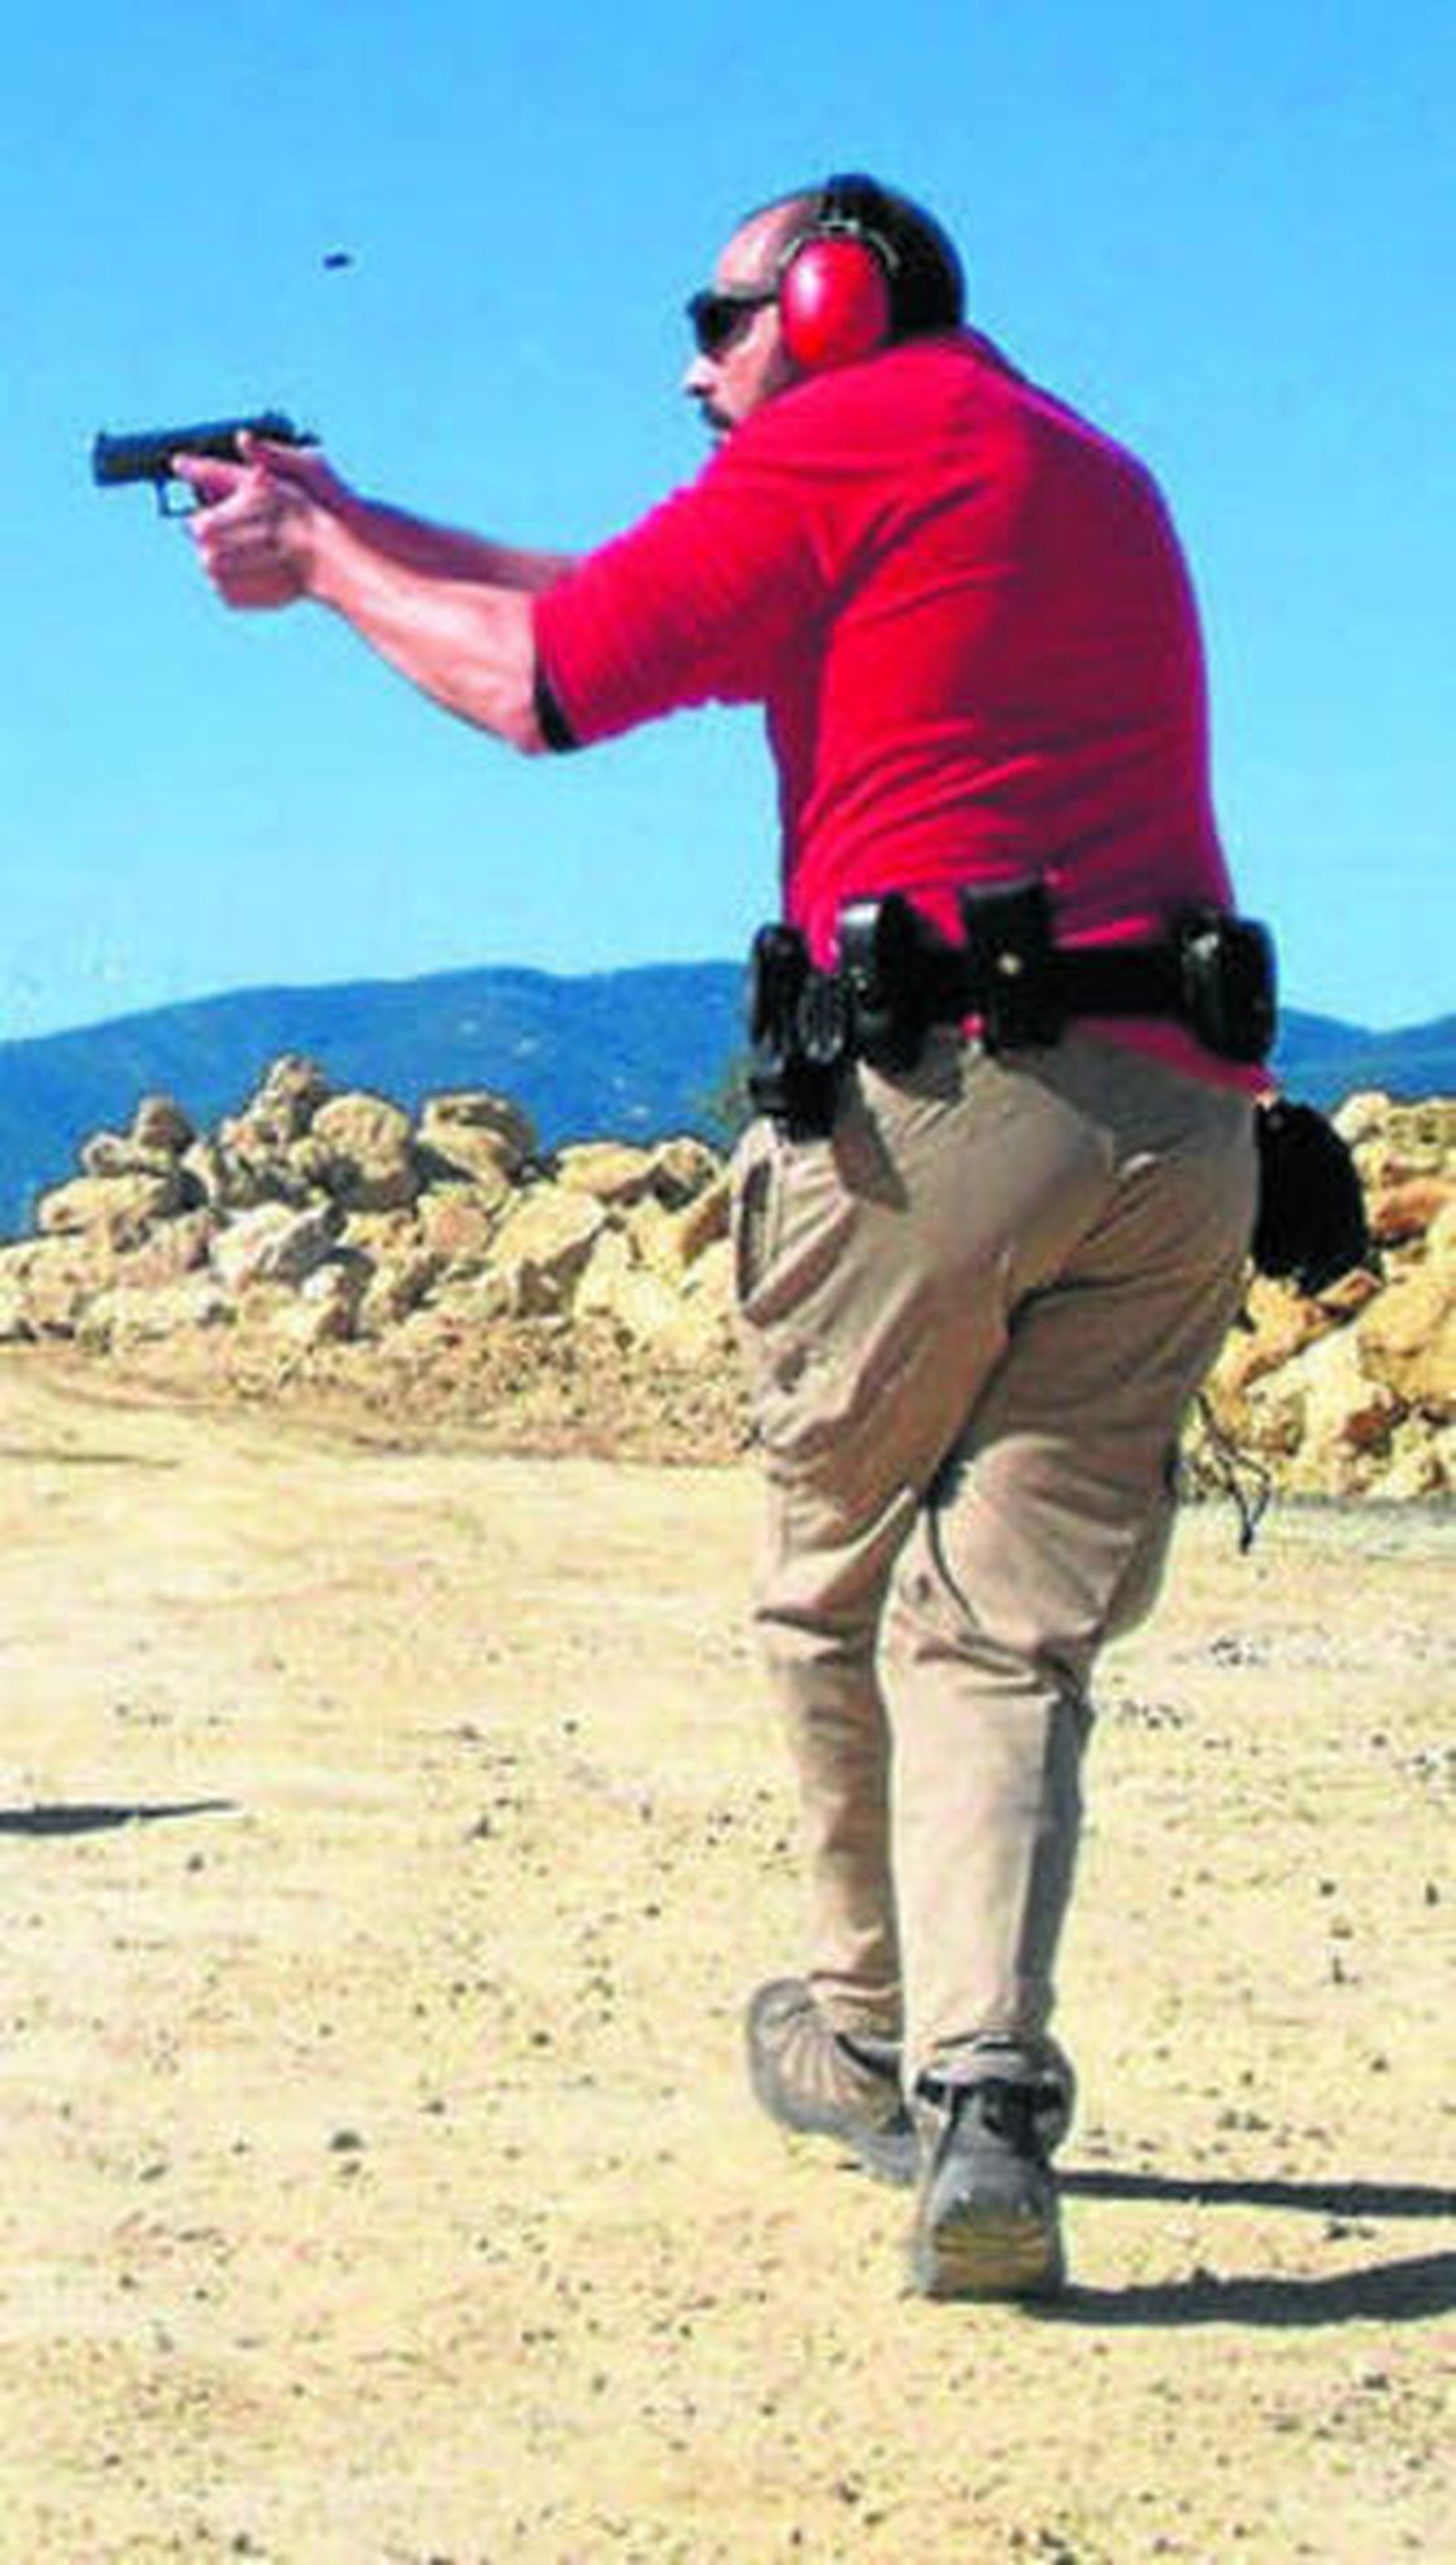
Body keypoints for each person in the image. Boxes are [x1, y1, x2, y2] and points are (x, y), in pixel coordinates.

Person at [177, 174, 1267, 2300]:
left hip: (947, 1102)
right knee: (1011, 1630)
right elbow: (624, 591)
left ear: (828, 301)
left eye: (716, 316)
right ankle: (984, 2095)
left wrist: (313, 568)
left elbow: (545, 687)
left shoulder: (839, 436)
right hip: (1185, 1123)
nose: (694, 363)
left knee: (830, 1580)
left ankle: (860, 2032)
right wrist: (363, 515)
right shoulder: (1057, 459)